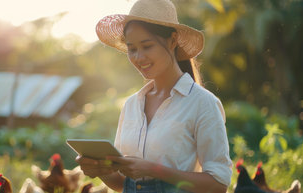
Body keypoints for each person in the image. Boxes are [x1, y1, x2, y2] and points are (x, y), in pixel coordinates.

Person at [75, 0, 233, 193]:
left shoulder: (203, 103)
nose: (139, 58)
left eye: (147, 46)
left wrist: (155, 170)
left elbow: (218, 185)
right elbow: (123, 183)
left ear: (172, 41)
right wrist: (98, 169)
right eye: (132, 49)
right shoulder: (132, 105)